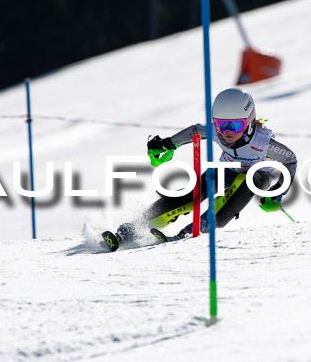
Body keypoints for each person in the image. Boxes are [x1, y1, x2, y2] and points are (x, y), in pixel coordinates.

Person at [108, 87, 298, 248]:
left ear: (249, 122)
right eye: (221, 125)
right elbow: (194, 131)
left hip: (257, 176)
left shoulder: (263, 142)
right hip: (227, 169)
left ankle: (197, 228)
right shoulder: (217, 133)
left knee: (247, 181)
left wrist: (278, 191)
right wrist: (168, 143)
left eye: (235, 125)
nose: (227, 133)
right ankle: (134, 228)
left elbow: (290, 160)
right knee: (194, 192)